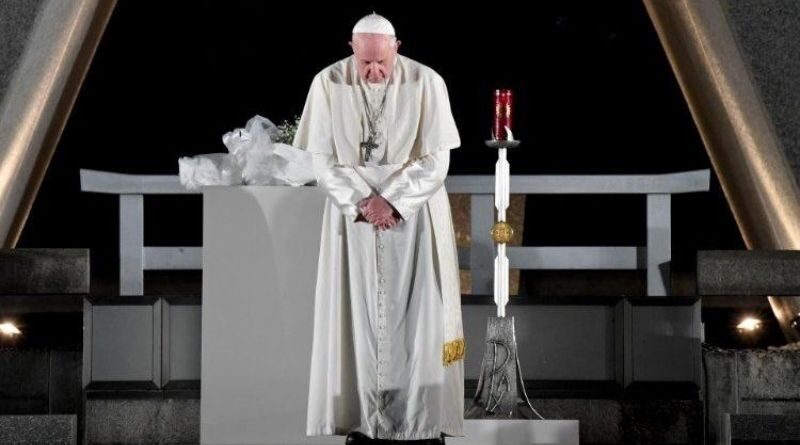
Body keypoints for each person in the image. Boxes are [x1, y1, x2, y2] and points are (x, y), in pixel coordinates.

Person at [293, 12, 465, 444]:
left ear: (397, 48)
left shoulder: (427, 82)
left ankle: (420, 425)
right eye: (364, 62)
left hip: (414, 218)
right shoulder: (327, 83)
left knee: (420, 321)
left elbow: (437, 161)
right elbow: (321, 161)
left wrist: (392, 201)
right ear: (351, 49)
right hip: (353, 222)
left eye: (381, 63)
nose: (373, 72)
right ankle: (363, 423)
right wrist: (363, 203)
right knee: (356, 322)